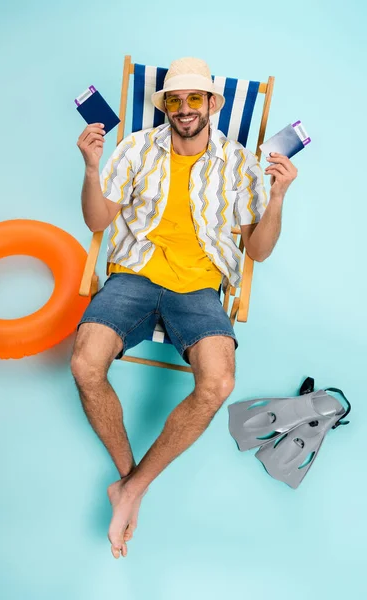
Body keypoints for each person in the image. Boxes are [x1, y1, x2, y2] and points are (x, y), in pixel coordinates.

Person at [71, 57, 297, 559]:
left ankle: (130, 490)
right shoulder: (135, 148)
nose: (185, 108)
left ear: (213, 104)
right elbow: (97, 219)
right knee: (85, 365)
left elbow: (256, 251)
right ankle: (130, 478)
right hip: (134, 273)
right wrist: (91, 168)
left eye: (196, 98)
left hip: (199, 290)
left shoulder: (238, 163)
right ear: (166, 106)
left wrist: (278, 196)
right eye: (175, 99)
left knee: (218, 383)